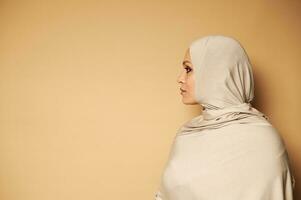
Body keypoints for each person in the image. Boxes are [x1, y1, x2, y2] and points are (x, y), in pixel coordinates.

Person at [154, 35, 296, 200]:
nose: (179, 78)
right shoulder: (187, 134)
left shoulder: (264, 142)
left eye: (188, 69)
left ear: (215, 73)